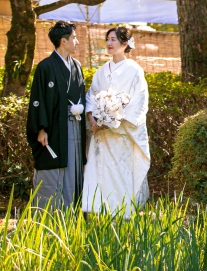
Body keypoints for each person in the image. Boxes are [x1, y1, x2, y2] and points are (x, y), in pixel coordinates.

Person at [82, 26, 150, 217]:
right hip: (101, 136)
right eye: (108, 39)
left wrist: (115, 119)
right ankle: (98, 213)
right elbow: (91, 97)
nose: (109, 43)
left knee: (120, 173)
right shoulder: (101, 71)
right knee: (100, 172)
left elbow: (139, 101)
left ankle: (122, 214)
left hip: (121, 134)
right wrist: (92, 119)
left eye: (113, 39)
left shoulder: (134, 70)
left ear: (125, 43)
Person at [26, 21, 87, 210]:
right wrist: (41, 129)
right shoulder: (45, 67)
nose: (77, 42)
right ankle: (51, 214)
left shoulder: (76, 66)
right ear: (63, 41)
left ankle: (73, 213)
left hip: (75, 124)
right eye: (74, 38)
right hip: (54, 127)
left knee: (74, 165)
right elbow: (38, 99)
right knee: (54, 168)